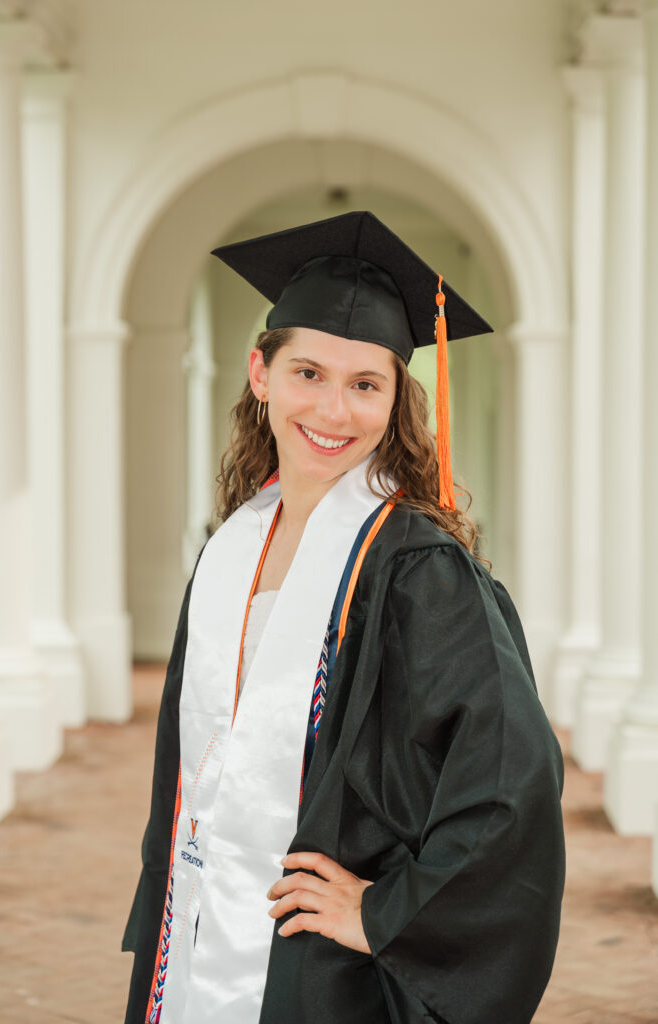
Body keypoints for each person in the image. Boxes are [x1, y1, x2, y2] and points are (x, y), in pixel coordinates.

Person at [122, 210, 566, 1024]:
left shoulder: (417, 567)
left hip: (319, 971)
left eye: (366, 384)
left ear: (397, 399)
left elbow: (510, 773)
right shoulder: (232, 545)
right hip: (200, 925)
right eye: (308, 374)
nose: (334, 410)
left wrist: (389, 911)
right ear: (260, 374)